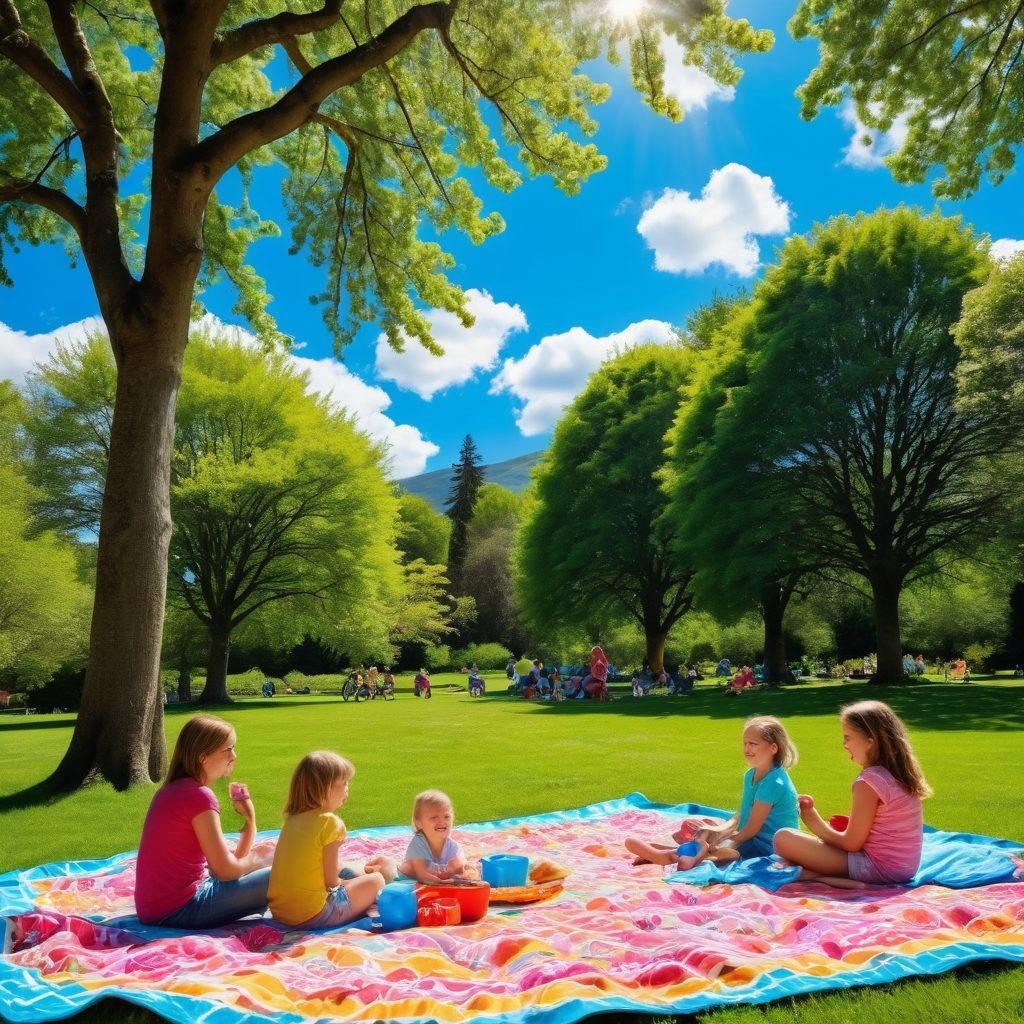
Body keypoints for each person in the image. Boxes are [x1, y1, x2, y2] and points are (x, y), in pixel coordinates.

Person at [774, 700, 931, 887]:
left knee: (783, 838)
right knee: (818, 836)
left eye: (848, 737)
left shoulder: (868, 782)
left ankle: (817, 876)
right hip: (904, 868)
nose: (844, 744)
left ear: (870, 742)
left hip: (879, 869)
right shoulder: (897, 774)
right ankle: (823, 873)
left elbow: (851, 844)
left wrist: (813, 821)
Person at [134, 715, 270, 927]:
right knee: (282, 871)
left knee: (273, 863)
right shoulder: (199, 796)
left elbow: (227, 867)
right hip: (179, 910)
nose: (234, 756)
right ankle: (334, 893)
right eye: (228, 749)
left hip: (158, 909)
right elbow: (224, 872)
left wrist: (250, 822)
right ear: (202, 757)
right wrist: (260, 858)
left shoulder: (172, 790)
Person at [625, 716, 798, 871]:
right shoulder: (751, 775)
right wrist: (718, 830)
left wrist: (720, 837)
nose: (746, 748)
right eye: (744, 743)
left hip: (769, 848)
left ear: (773, 748)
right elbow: (742, 815)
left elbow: (750, 831)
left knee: (730, 853)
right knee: (709, 837)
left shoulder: (773, 783)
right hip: (751, 839)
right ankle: (677, 853)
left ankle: (672, 856)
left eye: (753, 744)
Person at [268, 752, 386, 929]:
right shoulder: (329, 822)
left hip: (281, 913)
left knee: (347, 871)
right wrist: (349, 885)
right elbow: (331, 881)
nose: (347, 788)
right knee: (376, 880)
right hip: (313, 915)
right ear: (325, 788)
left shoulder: (292, 820)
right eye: (344, 783)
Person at [399, 790, 466, 883]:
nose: (442, 822)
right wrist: (444, 883)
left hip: (434, 880)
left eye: (446, 816)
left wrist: (458, 878)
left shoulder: (452, 847)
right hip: (407, 881)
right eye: (434, 817)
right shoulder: (418, 844)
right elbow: (422, 875)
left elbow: (460, 872)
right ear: (419, 823)